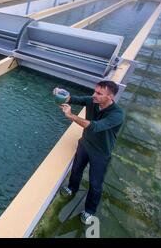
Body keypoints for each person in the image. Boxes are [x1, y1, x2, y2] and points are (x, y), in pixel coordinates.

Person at [53, 81, 125, 225]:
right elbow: (72, 99)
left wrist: (70, 115)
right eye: (95, 91)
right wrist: (60, 94)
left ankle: (90, 210)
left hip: (101, 153)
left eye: (99, 93)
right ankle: (72, 188)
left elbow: (94, 126)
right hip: (85, 144)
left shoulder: (117, 114)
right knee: (76, 169)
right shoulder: (92, 101)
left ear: (110, 97)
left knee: (95, 183)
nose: (94, 95)